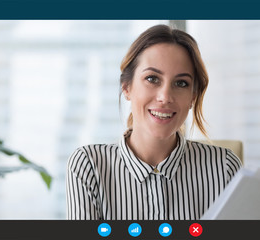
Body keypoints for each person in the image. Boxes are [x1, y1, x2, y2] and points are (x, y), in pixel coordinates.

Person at [66, 24, 242, 220]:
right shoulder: (88, 165)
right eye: (152, 78)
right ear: (127, 87)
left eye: (181, 83)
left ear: (193, 96)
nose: (165, 97)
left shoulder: (225, 167)